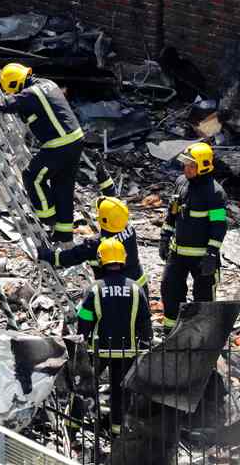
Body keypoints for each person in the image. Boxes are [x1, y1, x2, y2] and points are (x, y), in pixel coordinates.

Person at [0, 63, 85, 245]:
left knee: (32, 176)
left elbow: (6, 104)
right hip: (74, 140)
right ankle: (63, 235)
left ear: (15, 84)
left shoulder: (31, 93)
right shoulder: (46, 83)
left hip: (59, 144)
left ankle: (48, 217)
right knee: (62, 186)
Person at [77, 238, 154, 435]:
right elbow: (144, 320)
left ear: (101, 259)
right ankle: (117, 433)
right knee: (120, 393)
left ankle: (72, 427)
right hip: (127, 349)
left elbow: (85, 319)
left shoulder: (95, 288)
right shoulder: (136, 288)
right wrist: (146, 341)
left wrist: (81, 340)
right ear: (123, 259)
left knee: (85, 386)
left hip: (99, 348)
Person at [159, 142, 229, 332]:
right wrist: (165, 237)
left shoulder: (215, 193)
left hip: (202, 258)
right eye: (186, 164)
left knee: (204, 299)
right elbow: (172, 213)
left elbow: (219, 226)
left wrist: (212, 254)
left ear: (204, 166)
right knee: (169, 290)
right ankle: (171, 334)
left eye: (191, 165)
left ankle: (202, 338)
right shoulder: (181, 182)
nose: (186, 169)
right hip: (177, 254)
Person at [38, 196, 147, 287]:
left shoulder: (96, 244)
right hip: (139, 284)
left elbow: (72, 256)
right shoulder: (130, 229)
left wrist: (48, 256)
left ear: (104, 220)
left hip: (113, 292)